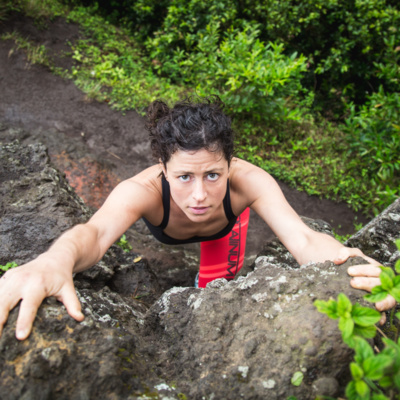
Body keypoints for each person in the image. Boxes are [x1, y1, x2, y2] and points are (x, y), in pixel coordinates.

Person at [0, 96, 394, 341]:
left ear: (229, 165)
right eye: (184, 177)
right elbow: (96, 232)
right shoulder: (142, 192)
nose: (201, 195)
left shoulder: (249, 182)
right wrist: (54, 261)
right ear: (163, 168)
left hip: (227, 228)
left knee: (214, 289)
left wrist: (350, 260)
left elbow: (304, 239)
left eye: (213, 174)